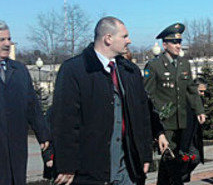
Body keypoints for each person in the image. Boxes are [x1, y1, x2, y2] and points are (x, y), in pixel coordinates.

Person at [52, 17, 153, 185]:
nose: (129, 40)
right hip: (91, 169)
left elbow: (142, 117)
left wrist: (144, 155)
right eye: (124, 36)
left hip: (127, 169)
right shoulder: (75, 70)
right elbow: (65, 121)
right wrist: (66, 165)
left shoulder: (130, 71)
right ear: (108, 38)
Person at [0, 18, 50, 185]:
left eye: (9, 39)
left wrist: (43, 135)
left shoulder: (19, 70)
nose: (7, 43)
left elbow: (33, 106)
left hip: (16, 149)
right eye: (1, 40)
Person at [143, 23, 206, 185]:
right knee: (171, 162)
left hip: (182, 121)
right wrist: (154, 121)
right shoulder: (154, 66)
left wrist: (199, 109)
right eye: (174, 42)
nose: (178, 45)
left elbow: (191, 89)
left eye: (180, 42)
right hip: (165, 122)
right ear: (165, 45)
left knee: (174, 162)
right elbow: (147, 94)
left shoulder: (184, 64)